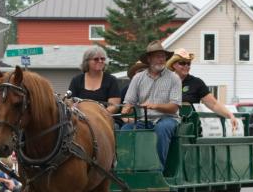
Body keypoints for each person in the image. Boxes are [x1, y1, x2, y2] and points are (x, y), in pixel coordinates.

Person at [121, 40, 182, 168]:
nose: (161, 59)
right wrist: (125, 112)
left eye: (163, 56)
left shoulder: (174, 78)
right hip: (143, 120)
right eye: (157, 56)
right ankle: (126, 167)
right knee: (125, 130)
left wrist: (155, 105)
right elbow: (128, 102)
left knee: (162, 128)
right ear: (149, 59)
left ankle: (157, 170)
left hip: (168, 119)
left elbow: (174, 107)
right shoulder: (138, 78)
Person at [166, 48, 240, 133]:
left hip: (189, 127)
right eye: (182, 63)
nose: (186, 66)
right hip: (168, 121)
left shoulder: (196, 83)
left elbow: (214, 104)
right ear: (173, 65)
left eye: (188, 63)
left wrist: (230, 115)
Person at [68, 45, 121, 116]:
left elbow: (114, 106)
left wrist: (97, 117)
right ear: (87, 61)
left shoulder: (111, 80)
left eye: (102, 59)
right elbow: (70, 103)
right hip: (81, 119)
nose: (100, 61)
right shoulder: (76, 80)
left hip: (105, 120)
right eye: (96, 59)